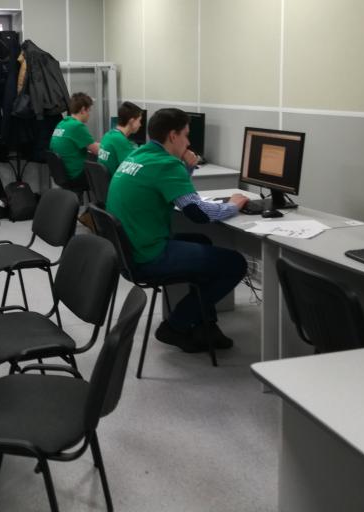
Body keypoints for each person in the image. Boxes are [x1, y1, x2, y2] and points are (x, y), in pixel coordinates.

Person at [106, 108, 250, 352]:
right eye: (186, 135)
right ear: (173, 136)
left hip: (127, 253)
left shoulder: (139, 155)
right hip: (147, 255)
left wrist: (188, 168)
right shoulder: (166, 164)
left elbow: (172, 189)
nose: (189, 141)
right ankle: (176, 324)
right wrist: (233, 205)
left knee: (202, 242)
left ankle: (205, 324)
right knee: (235, 264)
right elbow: (198, 213)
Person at [49, 92, 100, 184]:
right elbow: (97, 150)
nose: (89, 114)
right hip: (75, 175)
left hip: (62, 174)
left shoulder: (63, 123)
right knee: (107, 173)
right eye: (89, 110)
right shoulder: (77, 126)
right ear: (83, 110)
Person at [98, 101, 143, 176]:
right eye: (139, 121)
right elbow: (134, 165)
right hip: (114, 180)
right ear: (131, 121)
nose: (140, 125)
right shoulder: (119, 140)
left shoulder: (108, 135)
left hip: (104, 180)